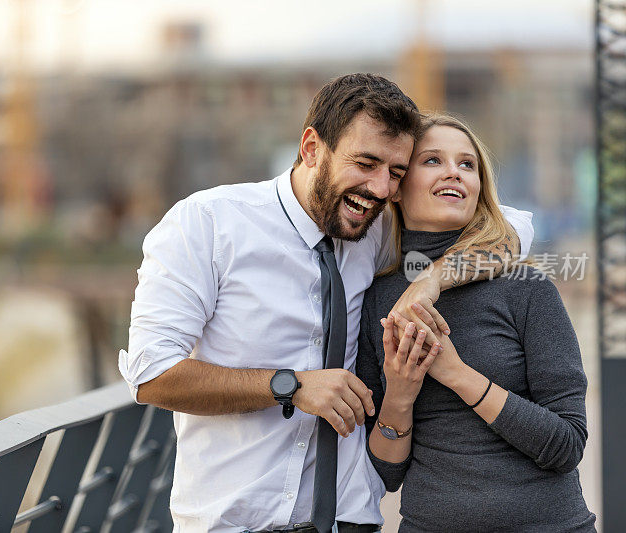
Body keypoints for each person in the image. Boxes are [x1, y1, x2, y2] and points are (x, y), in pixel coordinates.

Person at [118, 74, 535, 533]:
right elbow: (151, 374)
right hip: (233, 522)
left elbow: (512, 228)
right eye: (366, 163)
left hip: (348, 519)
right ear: (312, 147)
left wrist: (432, 280)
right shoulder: (207, 224)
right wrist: (292, 386)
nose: (380, 189)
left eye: (396, 173)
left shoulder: (376, 230)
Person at [356, 114, 595, 532]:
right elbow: (386, 476)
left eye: (467, 164)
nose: (454, 171)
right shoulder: (377, 299)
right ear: (396, 186)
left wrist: (456, 374)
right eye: (432, 160)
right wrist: (399, 394)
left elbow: (567, 445)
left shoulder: (526, 287)